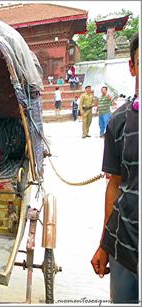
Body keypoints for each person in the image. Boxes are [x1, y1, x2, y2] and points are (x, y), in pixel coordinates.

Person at [91, 33, 139, 304]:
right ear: (132, 67)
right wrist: (104, 245)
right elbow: (115, 186)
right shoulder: (119, 122)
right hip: (124, 251)